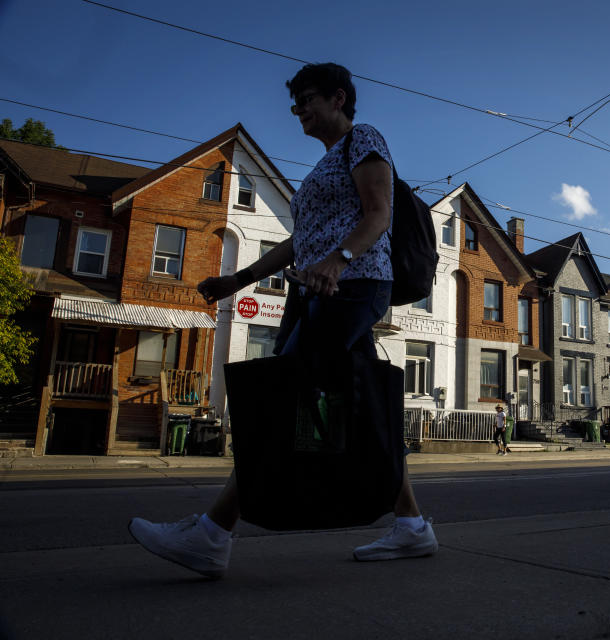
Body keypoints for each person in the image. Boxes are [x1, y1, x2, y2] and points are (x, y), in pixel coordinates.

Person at [128, 62, 438, 578]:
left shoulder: (364, 138)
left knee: (282, 398)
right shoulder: (325, 166)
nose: (299, 111)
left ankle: (212, 534)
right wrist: (238, 279)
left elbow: (379, 213)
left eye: (308, 100)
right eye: (295, 104)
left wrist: (337, 262)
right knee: (366, 410)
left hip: (352, 287)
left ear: (338, 98)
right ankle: (411, 526)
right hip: (322, 291)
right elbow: (301, 242)